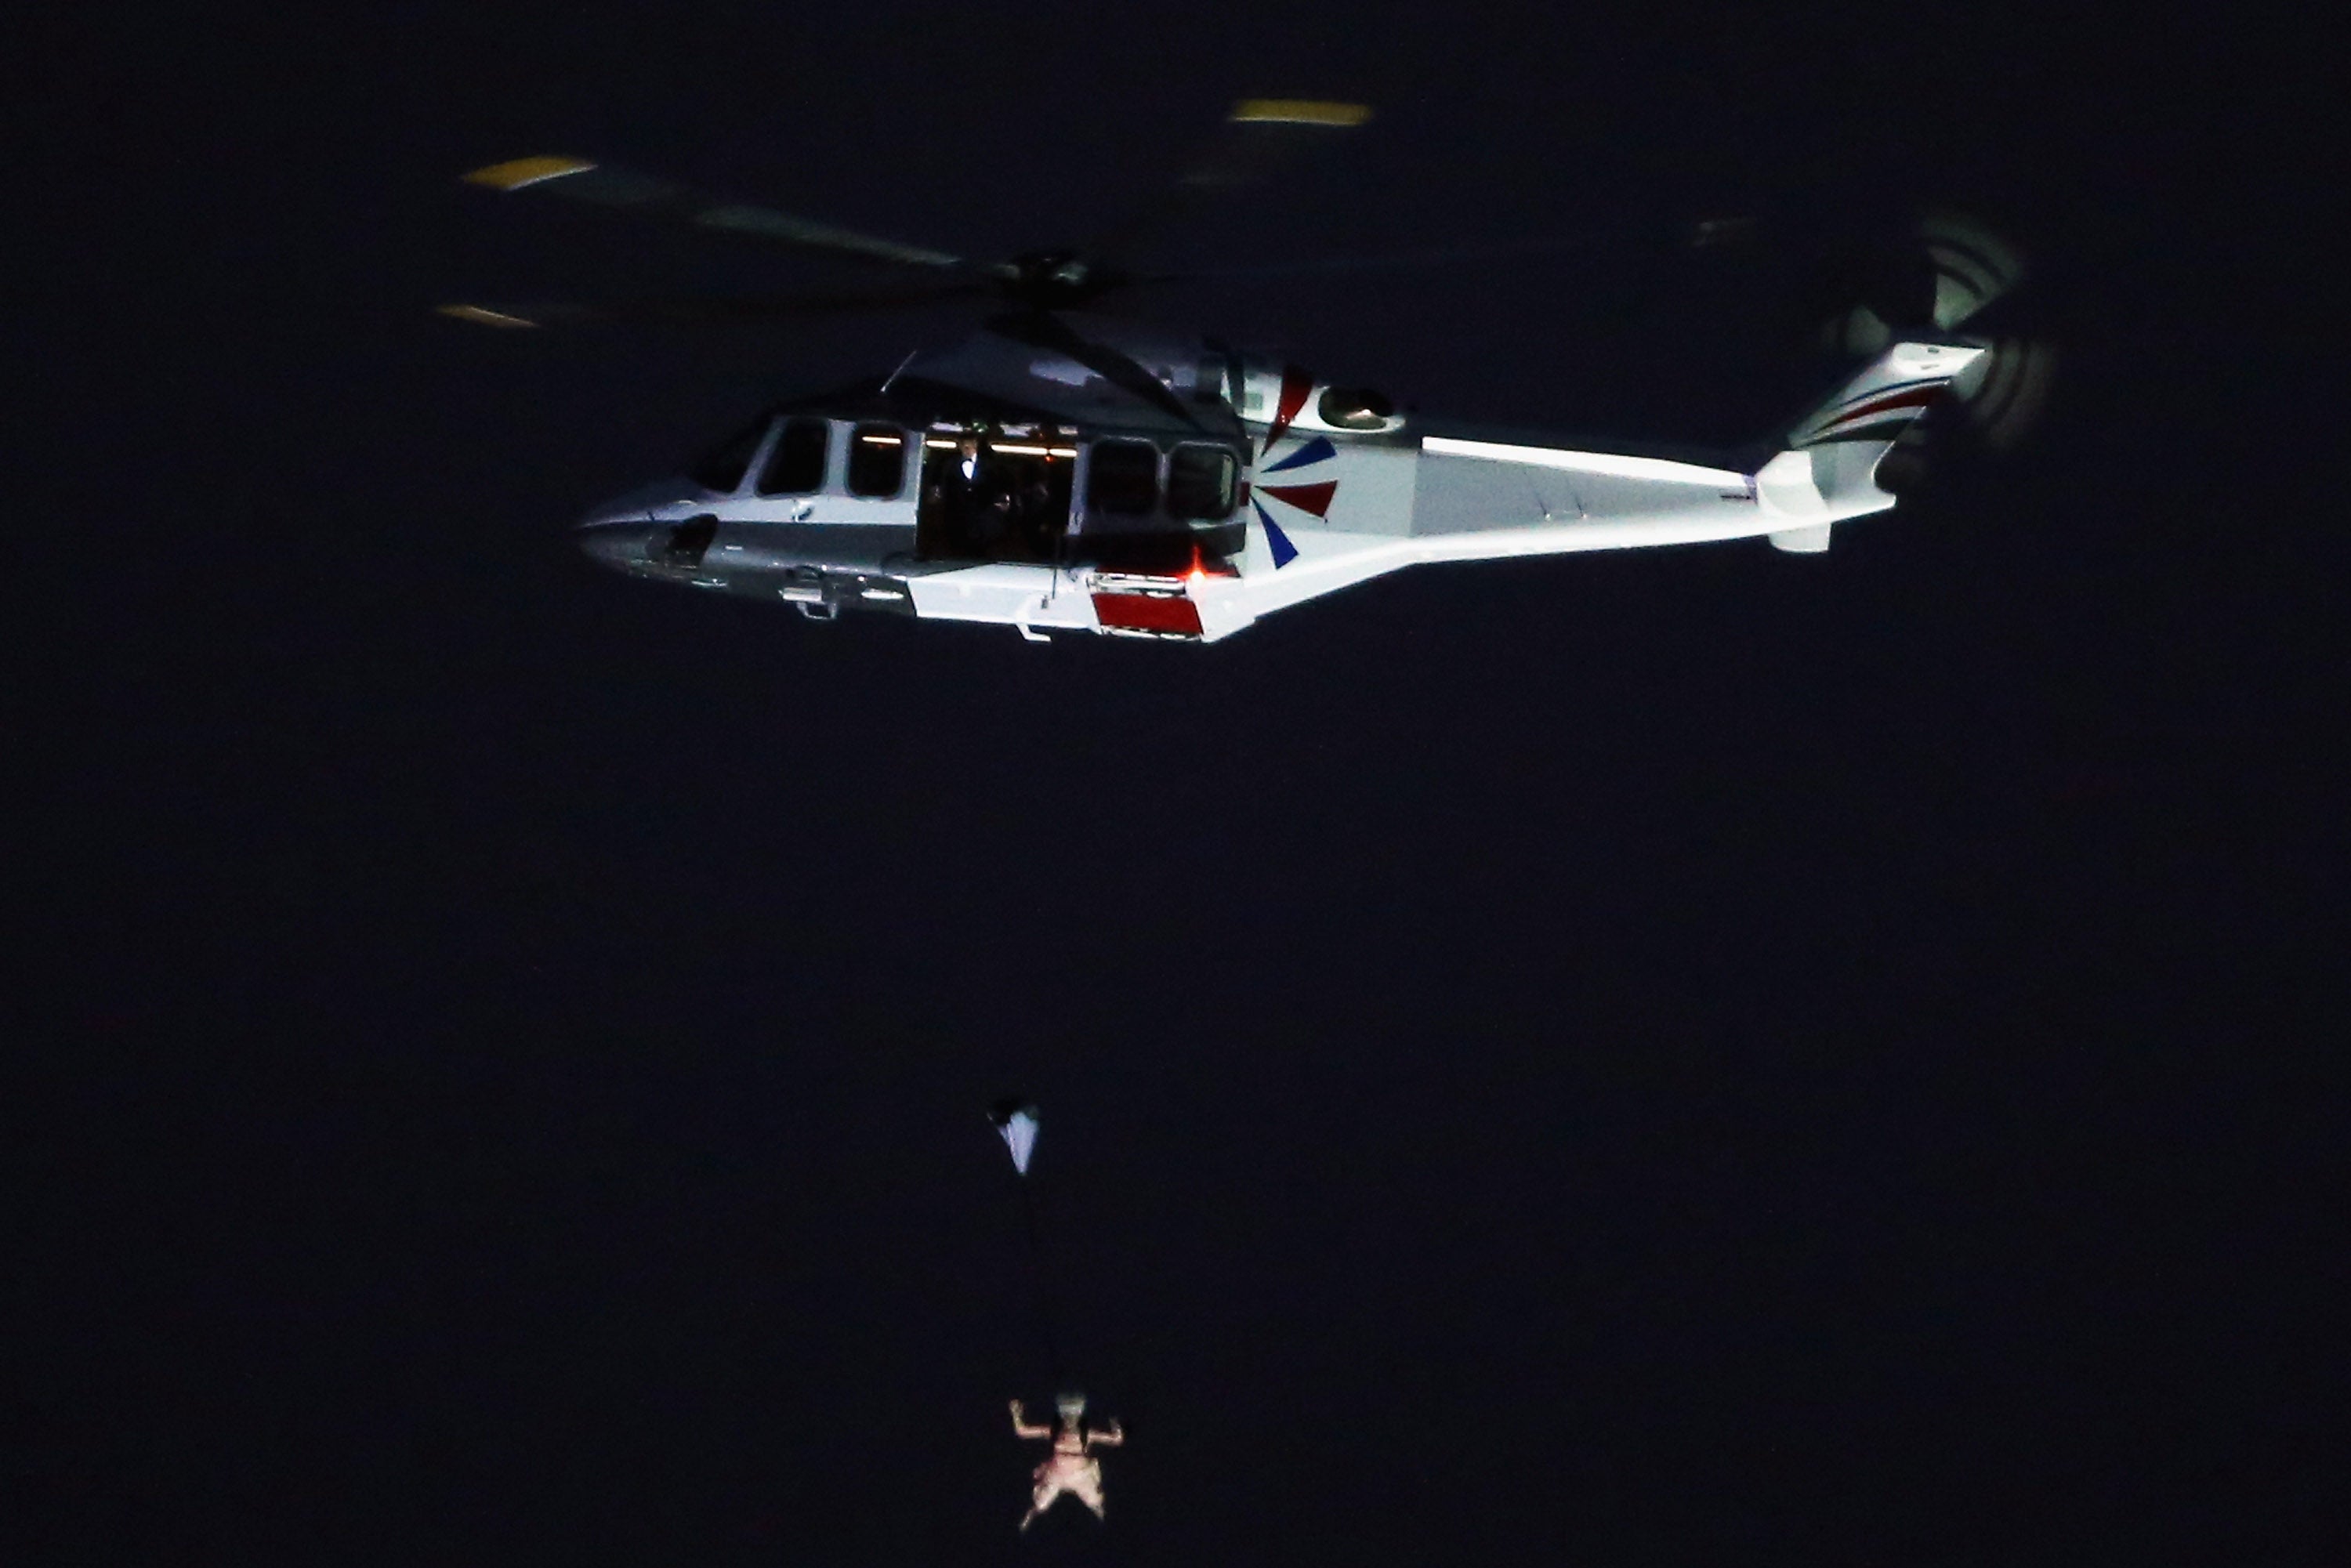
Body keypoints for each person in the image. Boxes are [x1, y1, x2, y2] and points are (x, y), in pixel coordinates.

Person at [1011, 1392, 1124, 1530]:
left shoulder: (1085, 1434)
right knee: (1038, 1506)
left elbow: (1116, 1439)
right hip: (1058, 1474)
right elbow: (1022, 1431)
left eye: (1073, 1416)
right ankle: (1021, 1528)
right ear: (1063, 1417)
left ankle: (1111, 1529)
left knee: (1096, 1505)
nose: (1070, 1420)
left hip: (1079, 1475)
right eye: (1067, 1416)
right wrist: (1016, 1414)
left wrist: (1115, 1423)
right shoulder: (1055, 1432)